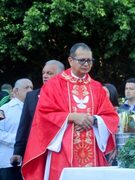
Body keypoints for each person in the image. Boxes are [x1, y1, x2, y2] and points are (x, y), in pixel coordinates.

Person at [21, 43, 119, 179]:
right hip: (62, 150)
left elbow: (111, 116)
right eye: (82, 60)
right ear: (70, 60)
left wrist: (94, 120)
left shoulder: (97, 88)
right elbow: (44, 114)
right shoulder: (54, 85)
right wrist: (71, 116)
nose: (86, 64)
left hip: (93, 151)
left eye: (89, 60)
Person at [10, 60, 65, 167]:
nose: (45, 76)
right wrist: (18, 151)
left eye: (49, 73)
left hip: (61, 150)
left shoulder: (69, 96)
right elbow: (24, 126)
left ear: (61, 75)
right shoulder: (31, 97)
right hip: (36, 151)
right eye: (43, 73)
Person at [0, 78, 33, 180]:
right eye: (26, 87)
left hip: (30, 161)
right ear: (15, 91)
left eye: (31, 87)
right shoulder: (5, 109)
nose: (30, 90)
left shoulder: (36, 109)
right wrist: (20, 141)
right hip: (8, 161)